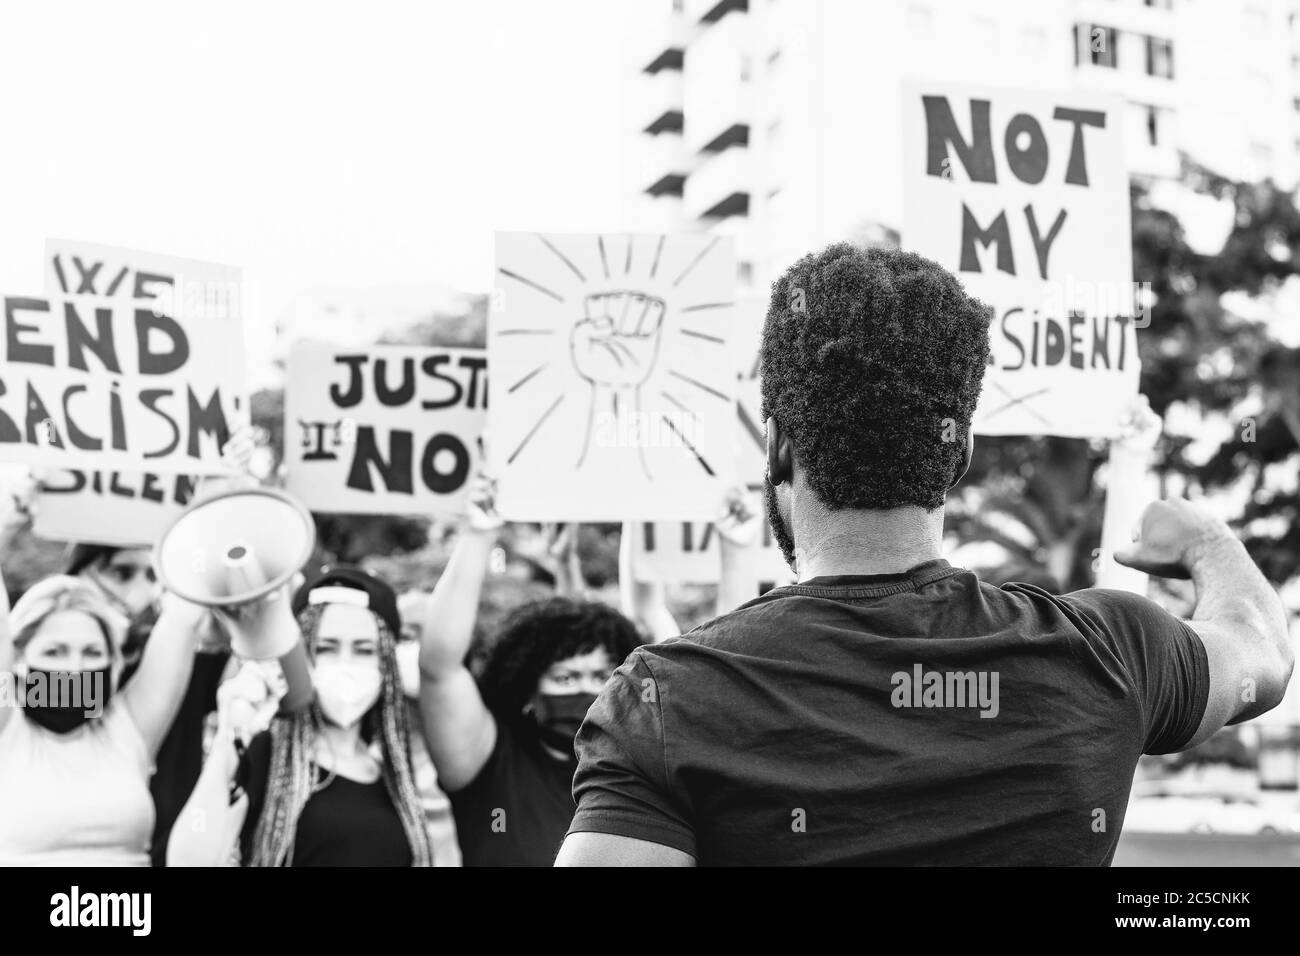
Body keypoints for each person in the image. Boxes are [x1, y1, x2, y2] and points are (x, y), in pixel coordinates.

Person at [556, 243, 1294, 866]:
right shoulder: (1111, 653)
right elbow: (1261, 657)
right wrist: (1206, 541)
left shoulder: (659, 703)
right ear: (960, 453)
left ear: (778, 446)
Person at [417, 477, 643, 866]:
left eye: (599, 678)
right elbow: (440, 668)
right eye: (565, 679)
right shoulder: (490, 764)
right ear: (526, 689)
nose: (588, 691)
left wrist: (567, 568)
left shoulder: (631, 770)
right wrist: (478, 536)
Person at [168, 566, 433, 866]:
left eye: (364, 650)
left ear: (386, 666)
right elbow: (188, 861)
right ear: (302, 656)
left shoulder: (393, 775)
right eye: (325, 648)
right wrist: (228, 739)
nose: (345, 664)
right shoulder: (267, 755)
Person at [0, 572, 206, 865]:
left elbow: (184, 617)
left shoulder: (129, 727)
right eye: (54, 652)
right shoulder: (6, 730)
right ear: (19, 660)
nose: (74, 669)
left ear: (112, 662)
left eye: (92, 652)